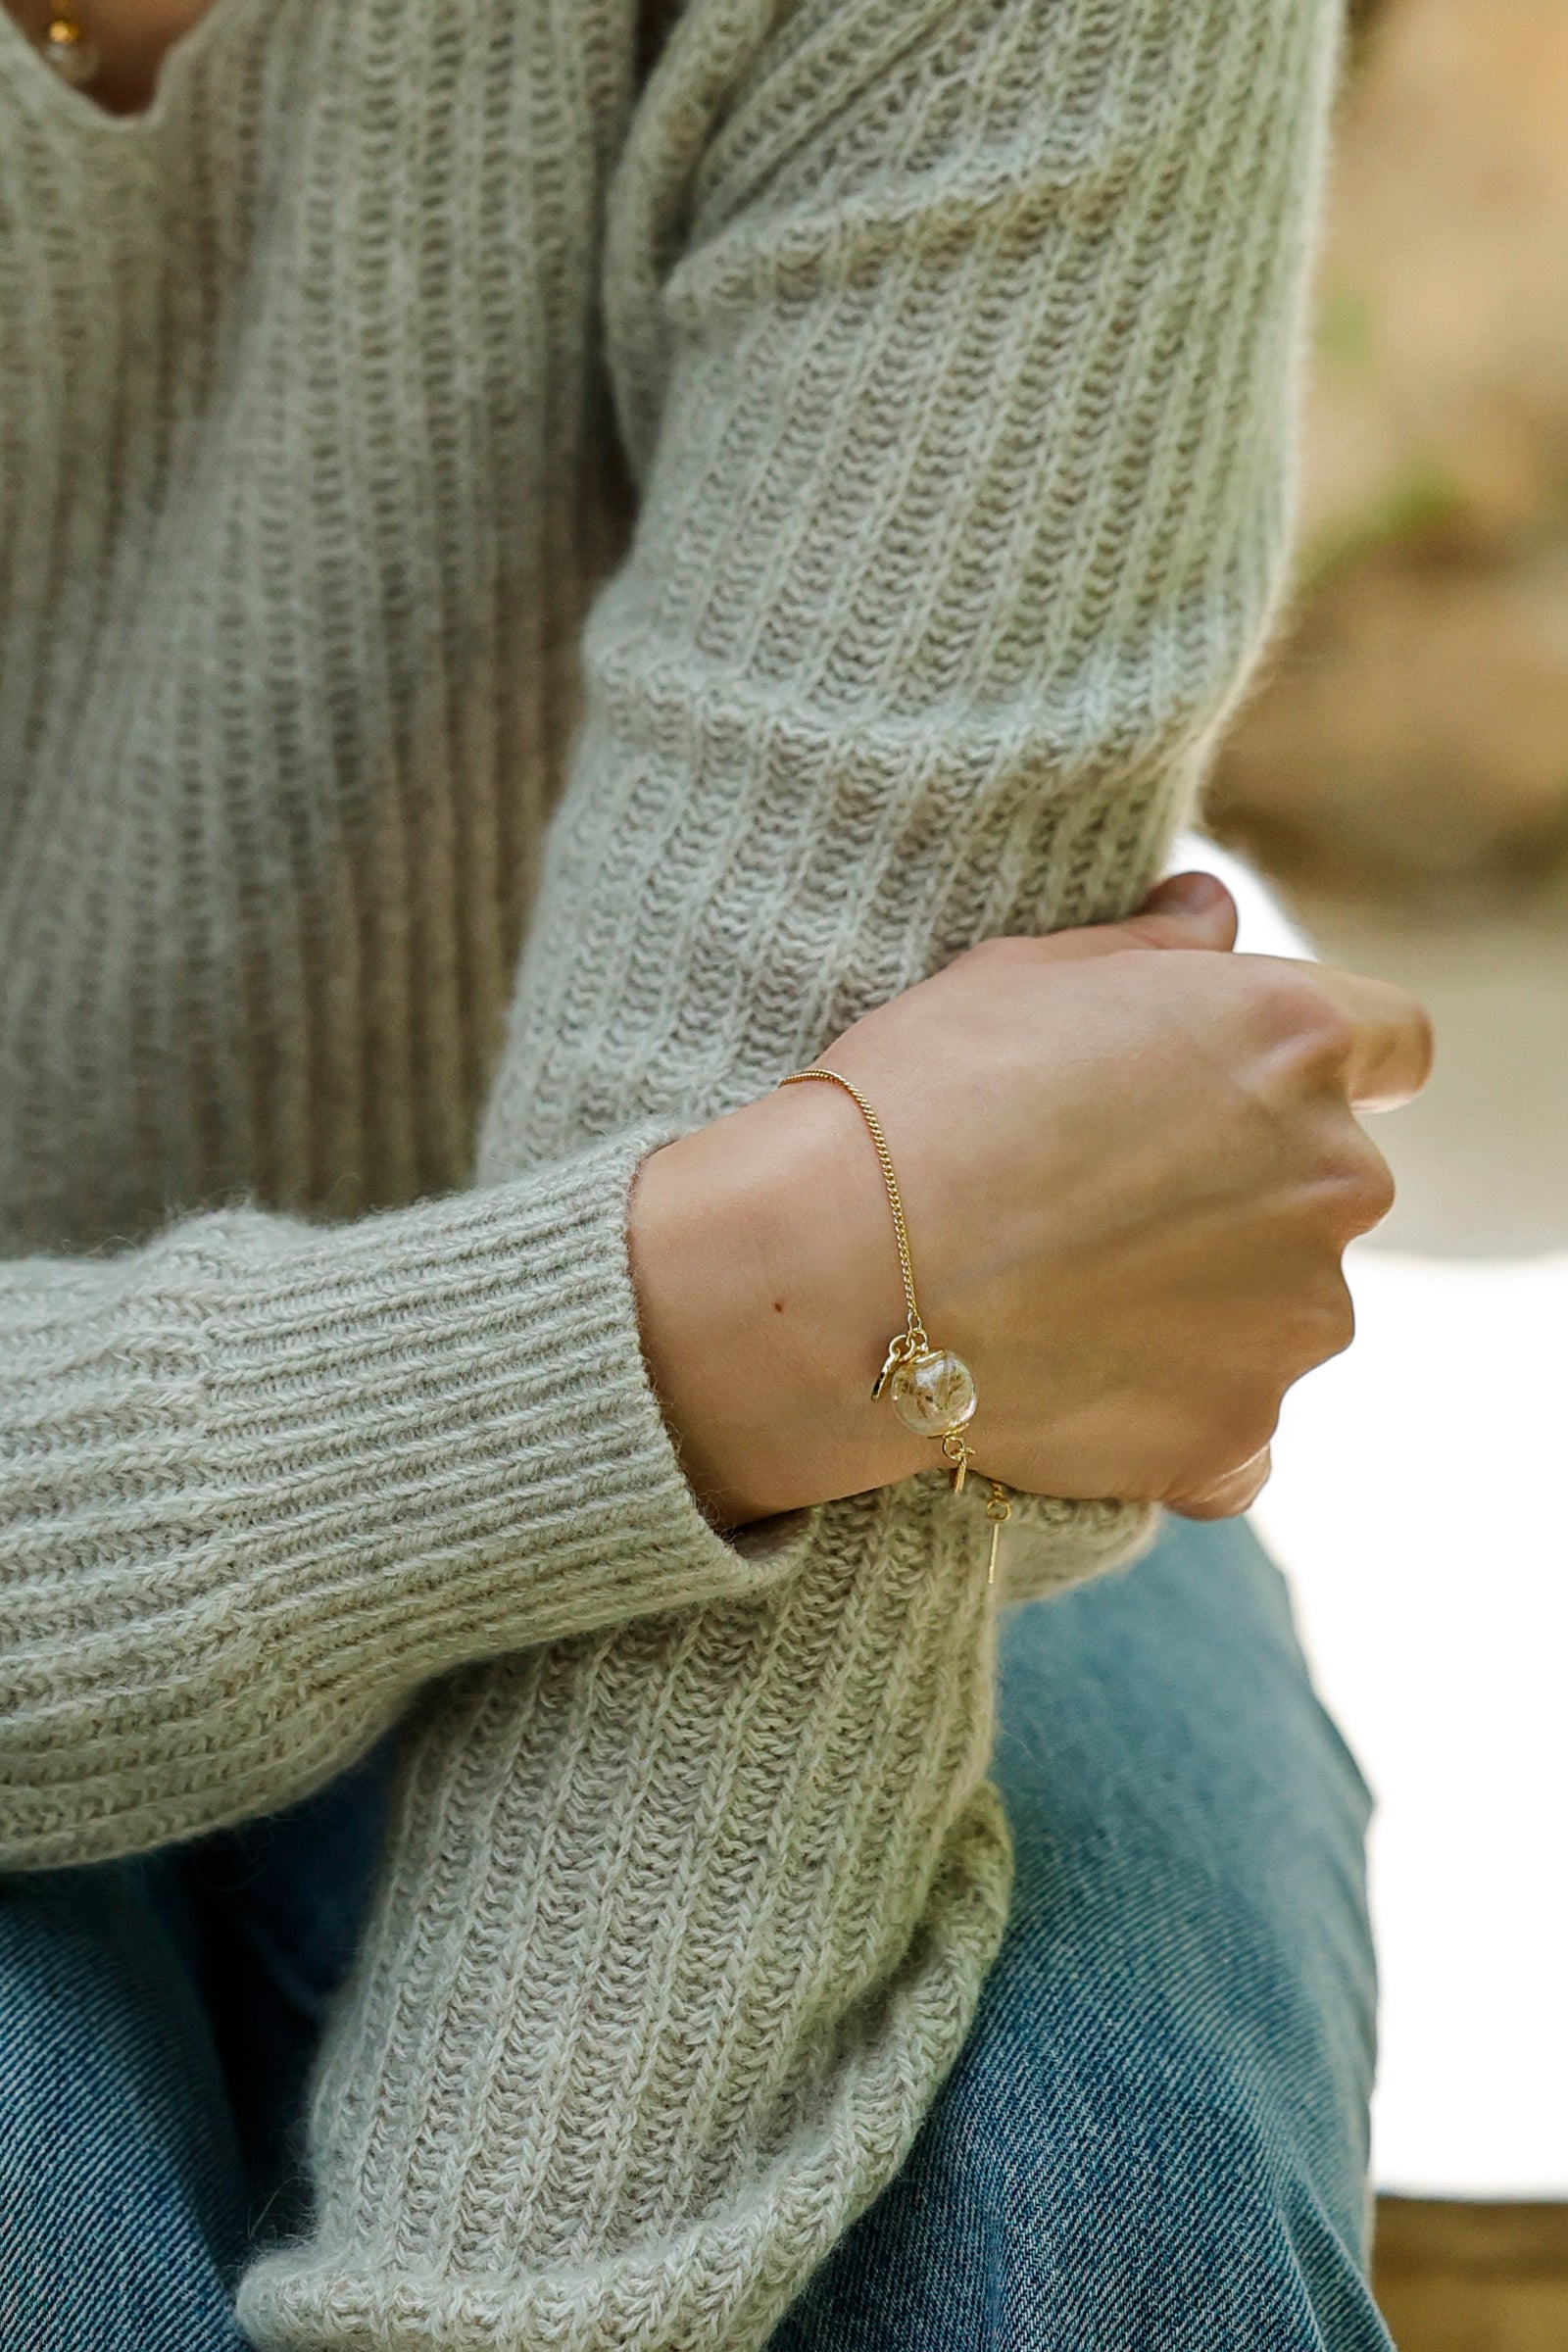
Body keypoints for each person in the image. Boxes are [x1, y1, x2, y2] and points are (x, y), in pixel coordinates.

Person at [0, 0, 1432, 2345]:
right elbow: (921, 1253)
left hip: (881, 1465)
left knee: (1087, 2199)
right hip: (852, 1342)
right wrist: (746, 1313)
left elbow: (893, 1140)